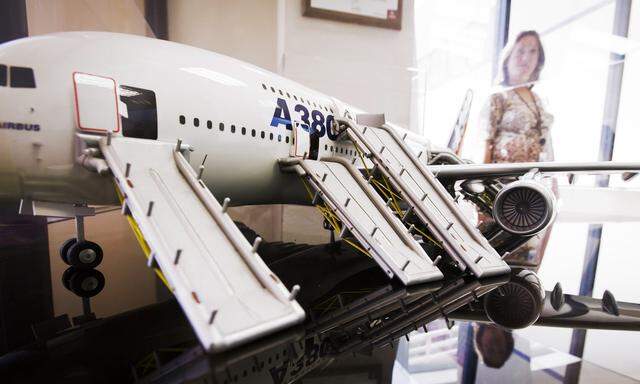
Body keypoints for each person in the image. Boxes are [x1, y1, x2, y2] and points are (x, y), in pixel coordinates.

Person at [483, 30, 554, 268]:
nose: (526, 57)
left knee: (524, 264)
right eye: (521, 50)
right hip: (500, 191)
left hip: (533, 190)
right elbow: (486, 142)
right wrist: (482, 193)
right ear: (510, 55)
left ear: (539, 58)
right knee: (495, 257)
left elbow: (546, 144)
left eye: (533, 51)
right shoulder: (498, 96)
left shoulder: (539, 100)